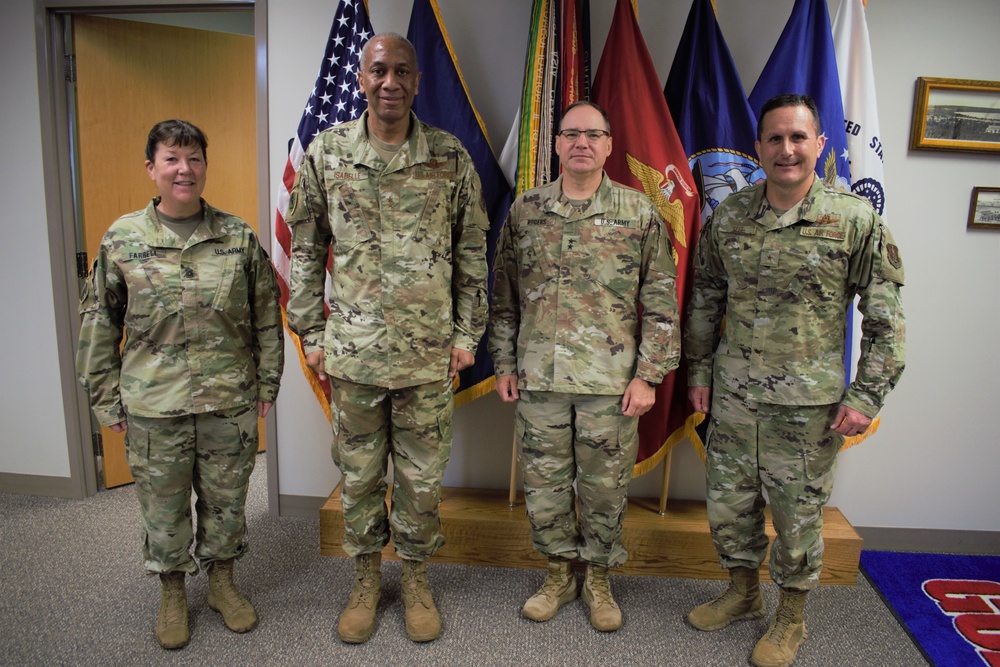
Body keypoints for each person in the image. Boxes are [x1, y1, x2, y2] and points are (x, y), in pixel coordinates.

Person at [684, 94, 905, 667]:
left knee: (797, 516)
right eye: (775, 139)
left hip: (805, 409)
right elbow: (706, 297)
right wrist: (700, 373)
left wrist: (866, 396)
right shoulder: (729, 216)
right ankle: (743, 593)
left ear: (820, 145)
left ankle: (790, 619)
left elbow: (886, 320)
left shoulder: (854, 221)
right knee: (729, 507)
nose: (787, 150)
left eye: (798, 138)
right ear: (758, 148)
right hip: (734, 399)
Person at [284, 33, 489, 645]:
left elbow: (472, 252)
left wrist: (465, 335)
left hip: (428, 356)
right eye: (379, 70)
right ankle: (368, 579)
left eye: (402, 70)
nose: (391, 82)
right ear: (362, 77)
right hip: (353, 354)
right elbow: (304, 247)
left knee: (422, 482)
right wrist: (311, 331)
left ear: (417, 80)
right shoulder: (327, 153)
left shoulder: (450, 157)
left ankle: (418, 578)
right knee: (361, 476)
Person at [76, 120, 284, 650]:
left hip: (227, 401)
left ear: (204, 167)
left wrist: (268, 383)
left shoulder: (237, 237)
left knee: (226, 502)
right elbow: (99, 324)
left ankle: (221, 582)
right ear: (152, 168)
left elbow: (266, 315)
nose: (183, 169)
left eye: (193, 158)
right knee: (164, 508)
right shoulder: (123, 239)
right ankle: (172, 591)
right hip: (154, 403)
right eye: (171, 158)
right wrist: (105, 399)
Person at [488, 101, 680, 632]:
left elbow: (662, 303)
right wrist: (503, 362)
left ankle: (598, 578)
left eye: (593, 134)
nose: (581, 143)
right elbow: (503, 296)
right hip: (539, 380)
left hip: (610, 384)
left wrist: (648, 376)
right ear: (556, 144)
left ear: (609, 145)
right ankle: (556, 574)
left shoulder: (639, 213)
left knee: (604, 489)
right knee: (546, 488)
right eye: (571, 133)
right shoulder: (526, 210)